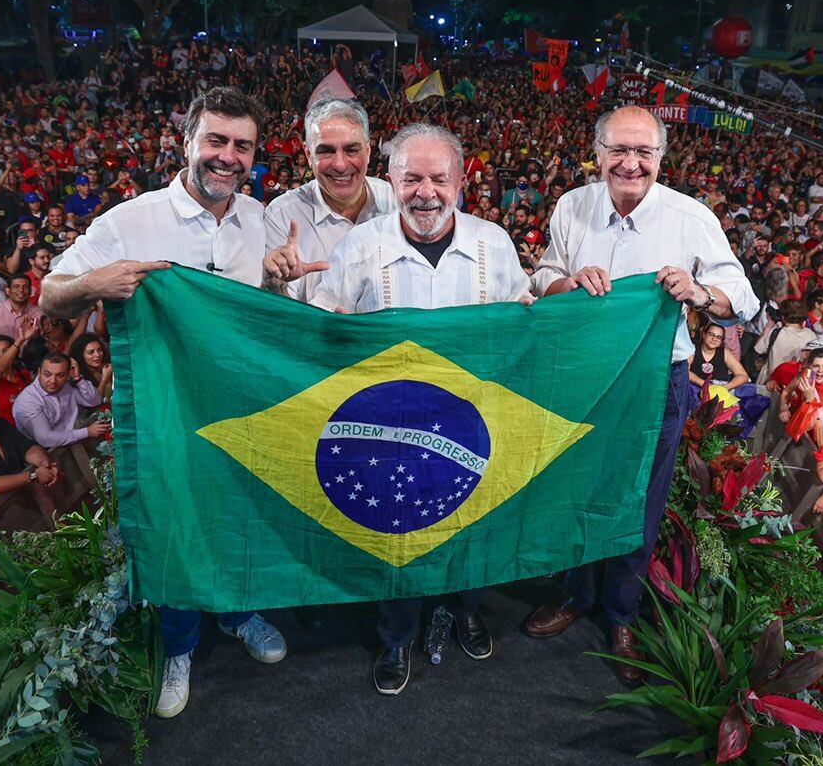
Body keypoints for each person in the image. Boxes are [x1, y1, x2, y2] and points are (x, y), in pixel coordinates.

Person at [40, 87, 288, 719]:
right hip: (163, 416)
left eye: (242, 145)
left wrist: (279, 281)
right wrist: (98, 282)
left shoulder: (260, 219)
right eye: (216, 140)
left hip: (241, 410)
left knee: (238, 516)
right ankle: (178, 645)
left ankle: (237, 613)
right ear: (186, 143)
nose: (228, 157)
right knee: (175, 524)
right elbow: (50, 293)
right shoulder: (132, 219)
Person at [521, 106, 759, 684]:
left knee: (640, 498)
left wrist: (699, 291)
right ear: (597, 154)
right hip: (582, 374)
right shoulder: (572, 206)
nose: (631, 163)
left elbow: (743, 299)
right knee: (574, 484)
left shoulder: (690, 217)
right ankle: (576, 593)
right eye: (619, 151)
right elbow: (542, 275)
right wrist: (566, 283)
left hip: (658, 381)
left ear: (661, 158)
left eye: (644, 153)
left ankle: (620, 612)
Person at [310, 123, 531, 695]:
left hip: (467, 423)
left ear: (462, 181)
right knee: (400, 529)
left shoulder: (493, 243)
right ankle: (396, 634)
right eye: (412, 179)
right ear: (392, 180)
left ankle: (467, 608)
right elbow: (326, 329)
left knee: (468, 521)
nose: (425, 192)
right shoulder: (361, 246)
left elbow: (521, 320)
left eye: (438, 178)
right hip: (389, 428)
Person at [261, 97, 395, 302]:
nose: (340, 165)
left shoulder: (394, 201)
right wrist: (275, 285)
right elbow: (280, 314)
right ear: (308, 154)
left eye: (351, 150)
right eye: (326, 151)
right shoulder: (282, 214)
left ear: (368, 152)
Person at [11, 353, 109, 451]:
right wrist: (86, 432)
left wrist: (78, 378)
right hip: (49, 455)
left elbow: (95, 400)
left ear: (67, 374)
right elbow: (46, 439)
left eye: (60, 375)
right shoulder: (28, 400)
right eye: (47, 374)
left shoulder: (66, 385)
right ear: (39, 372)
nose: (53, 381)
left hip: (77, 445)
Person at [688, 320, 745, 395]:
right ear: (704, 335)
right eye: (711, 335)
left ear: (722, 341)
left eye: (719, 337)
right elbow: (684, 371)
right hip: (695, 391)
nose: (714, 339)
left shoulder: (725, 353)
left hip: (718, 392)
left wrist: (725, 387)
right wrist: (704, 384)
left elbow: (743, 375)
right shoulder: (692, 349)